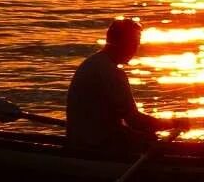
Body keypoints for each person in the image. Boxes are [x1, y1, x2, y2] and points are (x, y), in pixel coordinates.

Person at [66, 18, 188, 155]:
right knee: (151, 140)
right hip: (95, 145)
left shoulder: (94, 61)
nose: (136, 49)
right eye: (135, 43)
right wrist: (174, 123)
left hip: (80, 138)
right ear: (123, 43)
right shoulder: (112, 73)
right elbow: (135, 121)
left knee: (145, 136)